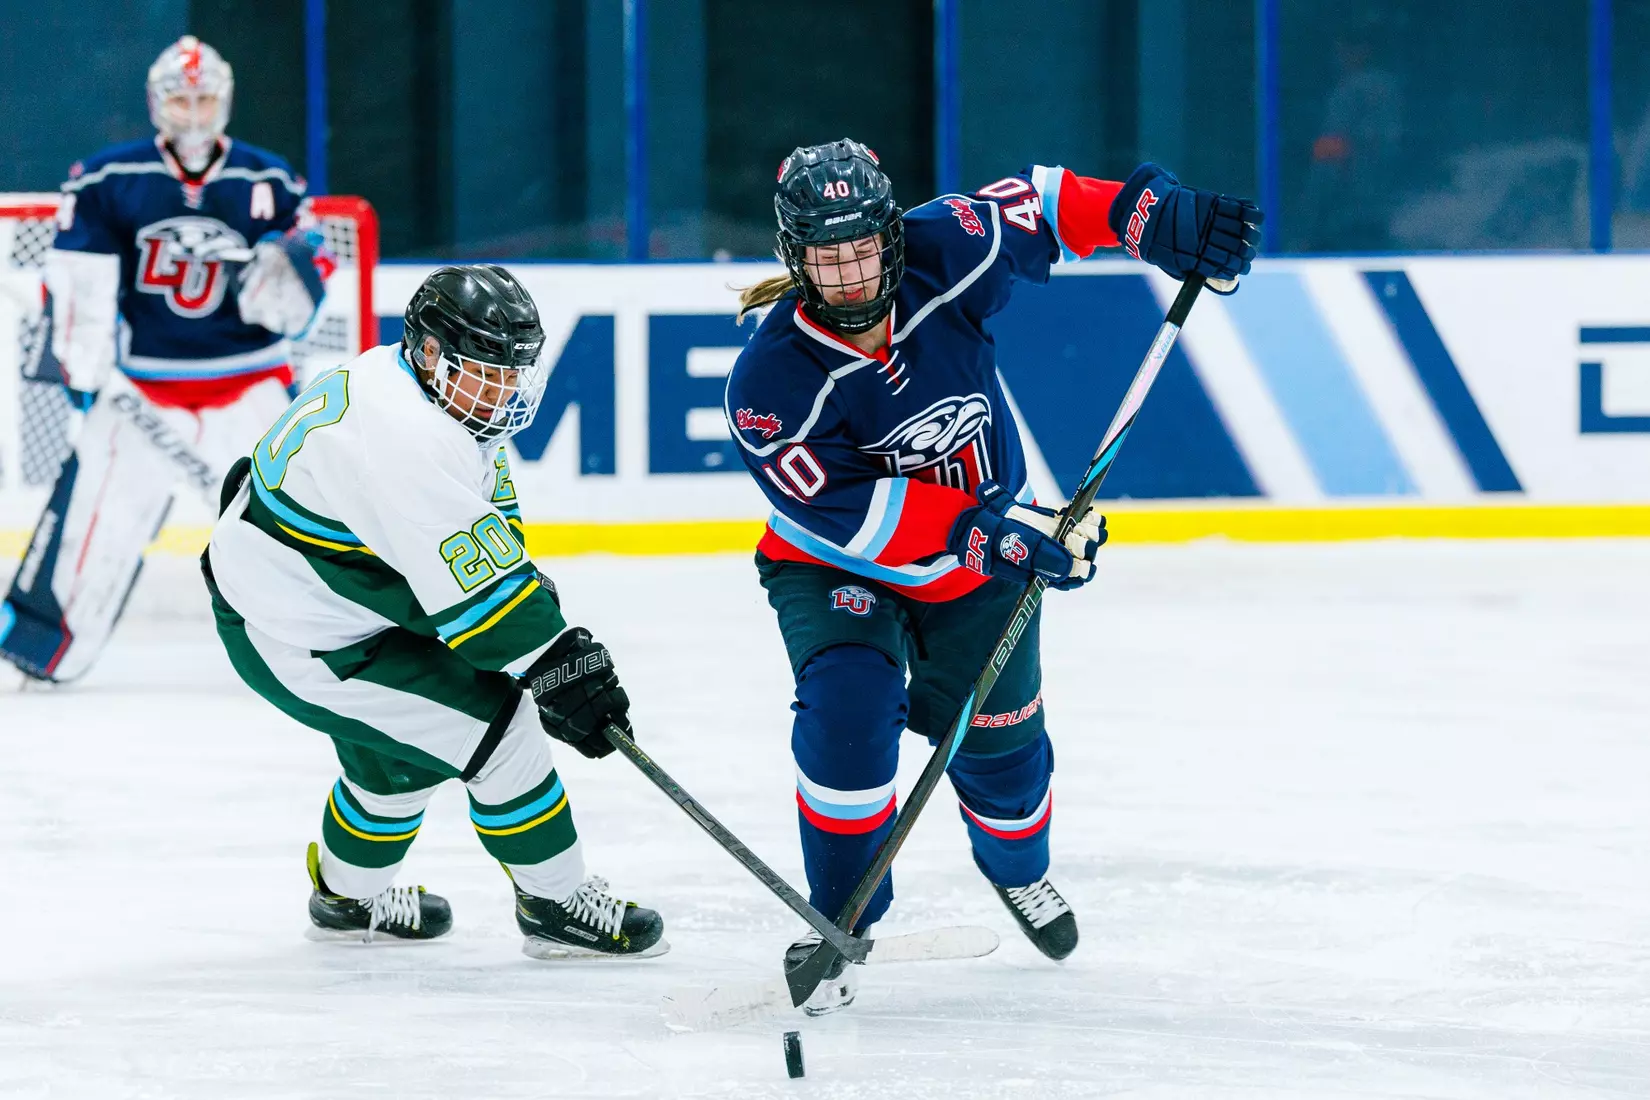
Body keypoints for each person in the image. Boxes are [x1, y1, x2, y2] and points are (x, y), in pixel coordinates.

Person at [724, 139, 1260, 1013]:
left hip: (981, 564)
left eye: (864, 248)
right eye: (828, 256)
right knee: (847, 718)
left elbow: (1044, 203)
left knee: (1006, 768)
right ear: (794, 254)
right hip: (836, 572)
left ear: (892, 234)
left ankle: (1017, 869)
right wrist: (989, 537)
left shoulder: (950, 247)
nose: (853, 275)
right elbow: (854, 518)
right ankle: (840, 918)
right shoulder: (771, 383)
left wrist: (1148, 218)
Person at [201, 264, 666, 957]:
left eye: (515, 370)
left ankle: (346, 898)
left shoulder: (426, 393)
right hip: (298, 635)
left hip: (319, 603)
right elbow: (479, 600)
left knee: (396, 765)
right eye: (488, 370)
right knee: (502, 732)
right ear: (429, 352)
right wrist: (554, 662)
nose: (505, 389)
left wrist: (534, 619)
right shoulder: (405, 435)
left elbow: (481, 522)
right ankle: (555, 903)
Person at [1, 35, 334, 684]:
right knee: (89, 524)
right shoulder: (109, 179)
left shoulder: (267, 179)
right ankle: (44, 643)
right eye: (179, 100)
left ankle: (333, 641)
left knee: (302, 521)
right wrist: (81, 362)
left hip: (253, 385)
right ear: (156, 103)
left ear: (225, 101)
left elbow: (303, 291)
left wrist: (288, 275)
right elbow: (79, 280)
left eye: (204, 98)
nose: (192, 113)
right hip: (144, 388)